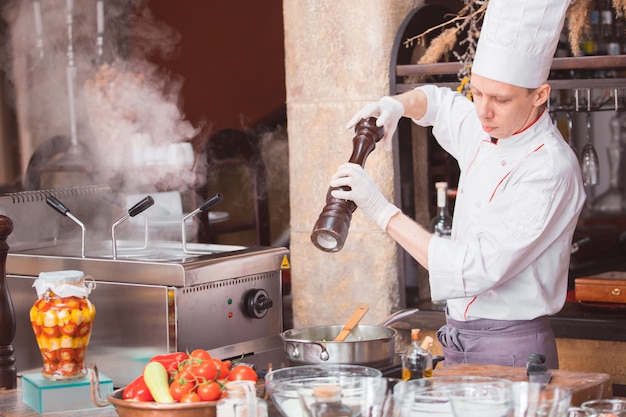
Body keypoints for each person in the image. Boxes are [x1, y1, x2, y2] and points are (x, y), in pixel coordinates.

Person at [329, 0, 585, 368]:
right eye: (477, 93)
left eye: (500, 98)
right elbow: (438, 103)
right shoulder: (489, 127)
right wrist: (395, 106)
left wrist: (380, 210)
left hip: (512, 349)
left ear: (539, 95)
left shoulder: (550, 169)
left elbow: (473, 269)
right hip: (457, 340)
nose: (483, 111)